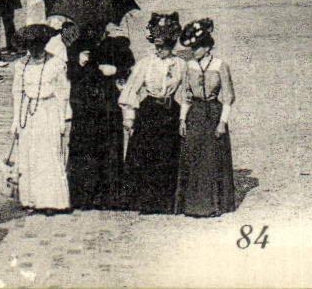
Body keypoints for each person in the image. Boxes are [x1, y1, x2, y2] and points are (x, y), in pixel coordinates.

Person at [120, 12, 184, 213]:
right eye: (157, 45)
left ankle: (166, 201)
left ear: (171, 44)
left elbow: (186, 91)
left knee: (168, 156)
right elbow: (130, 91)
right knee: (148, 155)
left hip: (170, 112)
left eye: (163, 46)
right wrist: (129, 118)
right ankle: (146, 202)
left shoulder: (180, 65)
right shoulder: (146, 63)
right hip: (149, 112)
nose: (159, 50)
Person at [66, 23, 135, 210]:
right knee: (84, 149)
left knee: (109, 148)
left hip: (107, 105)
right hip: (84, 106)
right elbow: (68, 74)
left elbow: (128, 69)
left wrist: (115, 70)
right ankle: (84, 196)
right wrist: (78, 62)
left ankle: (109, 196)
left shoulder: (117, 45)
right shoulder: (75, 47)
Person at [175, 18, 236, 216]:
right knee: (193, 157)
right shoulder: (190, 66)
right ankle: (192, 205)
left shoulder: (220, 65)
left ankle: (213, 205)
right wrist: (182, 119)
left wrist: (222, 122)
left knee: (211, 159)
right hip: (195, 114)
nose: (194, 51)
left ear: (207, 47)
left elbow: (228, 97)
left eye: (198, 47)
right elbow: (186, 94)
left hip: (213, 113)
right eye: (192, 48)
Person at [10, 24, 72, 212]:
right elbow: (17, 93)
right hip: (28, 113)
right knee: (29, 154)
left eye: (37, 46)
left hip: (48, 111)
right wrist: (15, 120)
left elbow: (63, 93)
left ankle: (50, 201)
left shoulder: (56, 63)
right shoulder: (21, 65)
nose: (34, 50)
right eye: (30, 46)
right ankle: (30, 200)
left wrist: (62, 119)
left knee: (47, 154)